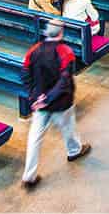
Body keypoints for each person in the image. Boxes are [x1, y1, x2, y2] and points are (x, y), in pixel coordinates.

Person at [21, 21, 90, 189]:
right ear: (61, 33)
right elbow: (64, 80)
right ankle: (74, 151)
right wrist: (48, 98)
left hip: (40, 104)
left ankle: (29, 176)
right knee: (68, 127)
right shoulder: (65, 52)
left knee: (34, 138)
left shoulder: (33, 50)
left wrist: (34, 97)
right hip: (61, 102)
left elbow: (25, 74)